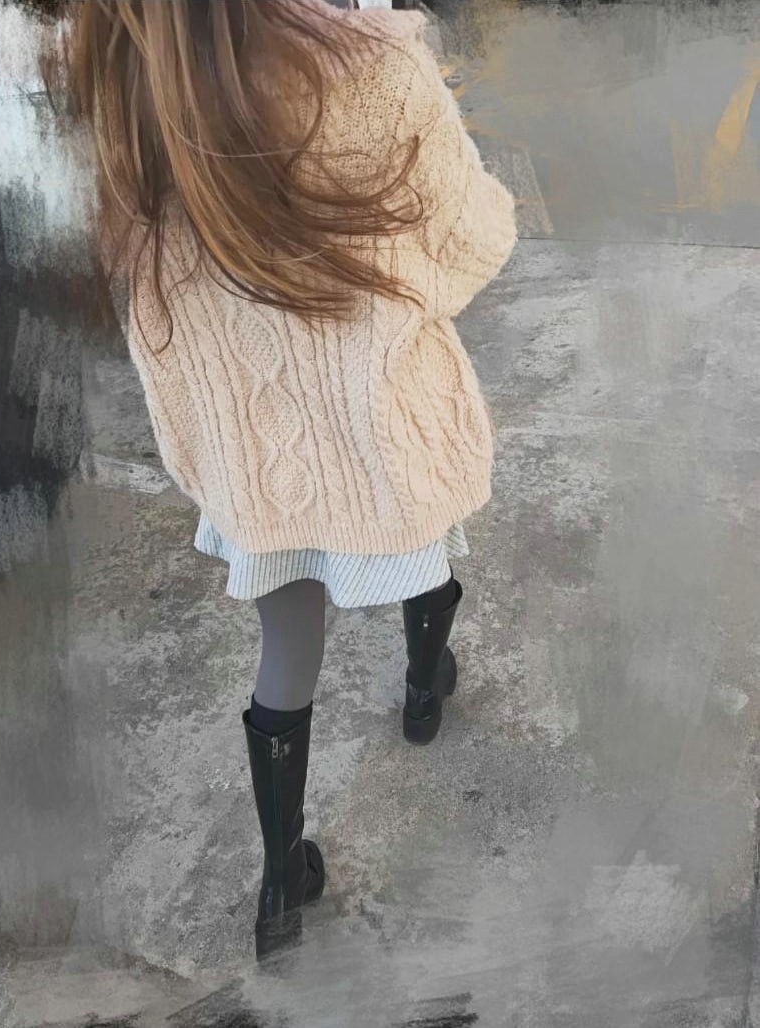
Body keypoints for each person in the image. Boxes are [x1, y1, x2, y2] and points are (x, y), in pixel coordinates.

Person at [40, 0, 517, 960]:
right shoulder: (371, 65)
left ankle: (277, 886)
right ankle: (423, 688)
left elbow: (106, 272)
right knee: (418, 546)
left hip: (248, 452)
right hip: (378, 425)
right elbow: (471, 242)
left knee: (286, 642)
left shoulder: (113, 78)